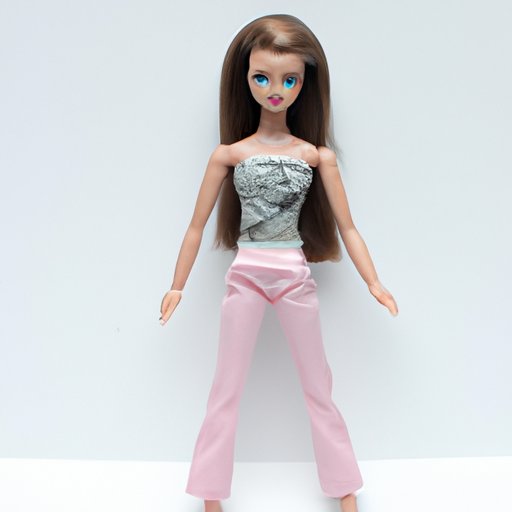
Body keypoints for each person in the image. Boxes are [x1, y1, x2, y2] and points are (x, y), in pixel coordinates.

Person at [159, 14, 398, 512]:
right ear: (244, 79)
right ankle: (210, 493)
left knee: (318, 386)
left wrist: (374, 281)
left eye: (290, 80)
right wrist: (176, 285)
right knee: (226, 388)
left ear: (305, 83)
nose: (275, 90)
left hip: (293, 277)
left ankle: (345, 488)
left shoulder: (316, 156)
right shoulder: (229, 155)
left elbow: (348, 227)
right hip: (246, 276)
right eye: (262, 78)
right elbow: (195, 227)